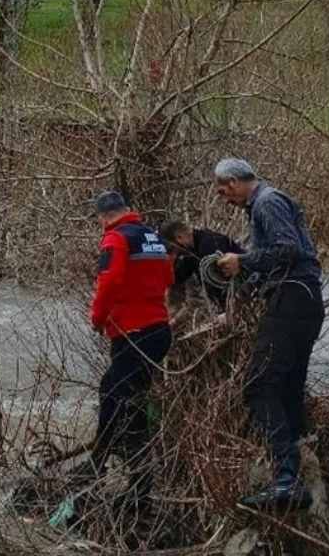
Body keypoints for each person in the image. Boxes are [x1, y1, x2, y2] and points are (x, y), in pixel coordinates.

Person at [211, 158, 323, 510]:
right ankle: (292, 478)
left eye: (223, 189)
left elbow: (288, 249)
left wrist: (242, 262)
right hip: (303, 300)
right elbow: (280, 257)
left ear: (234, 181)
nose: (223, 197)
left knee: (258, 385)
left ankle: (286, 479)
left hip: (291, 298)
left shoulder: (267, 201)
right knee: (287, 387)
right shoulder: (265, 204)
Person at [87, 191, 174, 502]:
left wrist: (97, 318)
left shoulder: (116, 238)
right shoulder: (151, 237)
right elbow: (168, 277)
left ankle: (97, 462)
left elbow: (108, 282)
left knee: (111, 390)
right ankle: (140, 484)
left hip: (133, 332)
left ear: (104, 216)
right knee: (133, 401)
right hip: (159, 330)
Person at [158, 220, 243, 312]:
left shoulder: (210, 244)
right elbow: (178, 276)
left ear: (179, 238)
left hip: (241, 295)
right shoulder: (191, 252)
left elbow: (226, 279)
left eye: (173, 248)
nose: (175, 253)